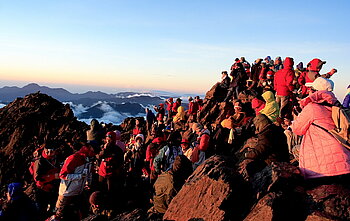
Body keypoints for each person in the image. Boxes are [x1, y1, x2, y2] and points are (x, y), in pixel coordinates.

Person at [292, 77, 350, 180]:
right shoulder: (337, 107)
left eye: (311, 89)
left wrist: (297, 116)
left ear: (315, 92)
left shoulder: (312, 108)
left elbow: (297, 129)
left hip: (323, 168)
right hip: (345, 161)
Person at [54, 144, 95, 220]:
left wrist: (88, 183)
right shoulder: (74, 158)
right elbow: (62, 175)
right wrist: (79, 176)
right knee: (60, 215)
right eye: (92, 150)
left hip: (78, 192)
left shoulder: (88, 159)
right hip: (67, 193)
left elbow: (89, 173)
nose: (94, 152)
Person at [31, 144, 60, 219]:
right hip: (42, 188)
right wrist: (53, 176)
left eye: (52, 151)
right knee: (41, 209)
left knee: (53, 207)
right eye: (48, 151)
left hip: (53, 187)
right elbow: (37, 177)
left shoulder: (55, 158)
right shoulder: (40, 161)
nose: (50, 153)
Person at [96, 132, 124, 207]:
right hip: (102, 172)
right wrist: (105, 149)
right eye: (107, 140)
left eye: (110, 140)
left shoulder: (118, 150)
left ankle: (110, 206)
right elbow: (99, 157)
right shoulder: (103, 148)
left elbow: (121, 162)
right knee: (101, 189)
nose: (108, 142)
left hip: (111, 173)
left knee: (110, 191)